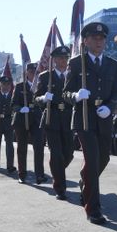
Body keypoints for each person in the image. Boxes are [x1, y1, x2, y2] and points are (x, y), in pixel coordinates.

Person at [63, 22, 117, 224]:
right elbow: (65, 93)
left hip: (103, 117)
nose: (99, 41)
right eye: (94, 38)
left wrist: (110, 107)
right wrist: (76, 96)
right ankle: (93, 209)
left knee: (103, 159)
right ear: (85, 41)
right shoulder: (76, 63)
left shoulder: (113, 65)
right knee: (93, 158)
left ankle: (85, 181)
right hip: (84, 118)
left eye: (102, 38)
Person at [34, 45, 74, 199]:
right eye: (60, 58)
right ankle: (60, 188)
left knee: (68, 153)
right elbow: (36, 98)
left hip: (69, 118)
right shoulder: (45, 77)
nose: (63, 61)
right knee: (56, 153)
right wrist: (44, 98)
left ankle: (57, 171)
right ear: (54, 60)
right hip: (52, 117)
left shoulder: (72, 75)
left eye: (65, 58)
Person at [12, 62, 46, 184]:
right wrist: (21, 109)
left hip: (36, 120)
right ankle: (22, 174)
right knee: (22, 148)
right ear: (27, 72)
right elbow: (13, 104)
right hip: (22, 120)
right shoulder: (20, 86)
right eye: (31, 72)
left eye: (36, 72)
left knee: (39, 147)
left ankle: (40, 175)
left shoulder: (41, 86)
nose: (33, 75)